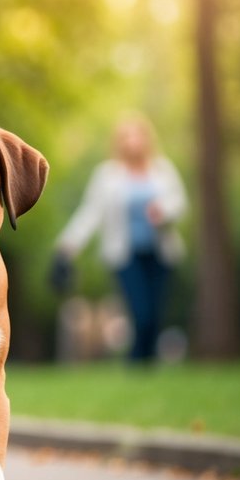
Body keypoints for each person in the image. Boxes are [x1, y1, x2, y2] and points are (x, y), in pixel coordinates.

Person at [52, 114, 188, 363]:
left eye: (137, 135)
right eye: (127, 137)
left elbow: (180, 203)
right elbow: (90, 212)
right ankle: (136, 363)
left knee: (155, 314)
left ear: (147, 139)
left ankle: (149, 366)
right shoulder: (108, 175)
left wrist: (163, 212)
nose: (132, 142)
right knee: (141, 313)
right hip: (125, 255)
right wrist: (68, 244)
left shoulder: (162, 170)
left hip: (161, 252)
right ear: (119, 142)